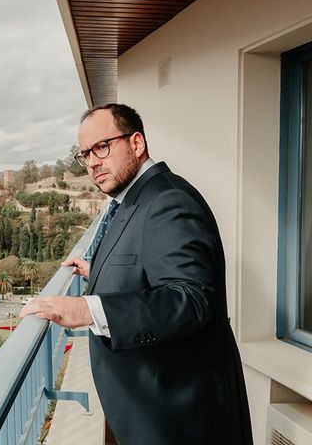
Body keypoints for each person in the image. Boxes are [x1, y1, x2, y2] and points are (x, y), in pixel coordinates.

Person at [20, 104, 252, 444]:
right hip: (156, 413)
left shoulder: (168, 200)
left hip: (179, 419)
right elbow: (149, 263)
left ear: (137, 143)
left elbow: (190, 298)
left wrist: (84, 309)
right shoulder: (135, 198)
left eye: (102, 147)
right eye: (84, 154)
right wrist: (97, 270)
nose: (92, 163)